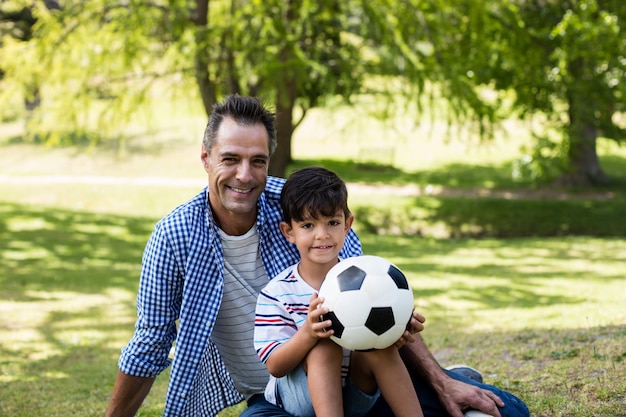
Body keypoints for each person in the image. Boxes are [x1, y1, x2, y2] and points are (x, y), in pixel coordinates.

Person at [104, 94, 530, 417]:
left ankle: (449, 378)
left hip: (356, 381)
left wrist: (435, 377)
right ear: (206, 159)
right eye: (229, 159)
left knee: (507, 410)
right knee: (317, 351)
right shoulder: (174, 235)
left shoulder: (306, 210)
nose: (244, 176)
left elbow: (369, 301)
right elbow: (150, 343)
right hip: (277, 398)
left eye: (258, 161)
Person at [254, 166, 423, 417]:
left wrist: (396, 331)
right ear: (289, 232)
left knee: (379, 348)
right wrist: (308, 334)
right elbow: (275, 366)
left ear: (347, 225)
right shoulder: (278, 292)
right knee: (324, 345)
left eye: (332, 222)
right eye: (308, 225)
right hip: (299, 401)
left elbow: (376, 341)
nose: (322, 235)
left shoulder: (371, 279)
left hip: (354, 396)